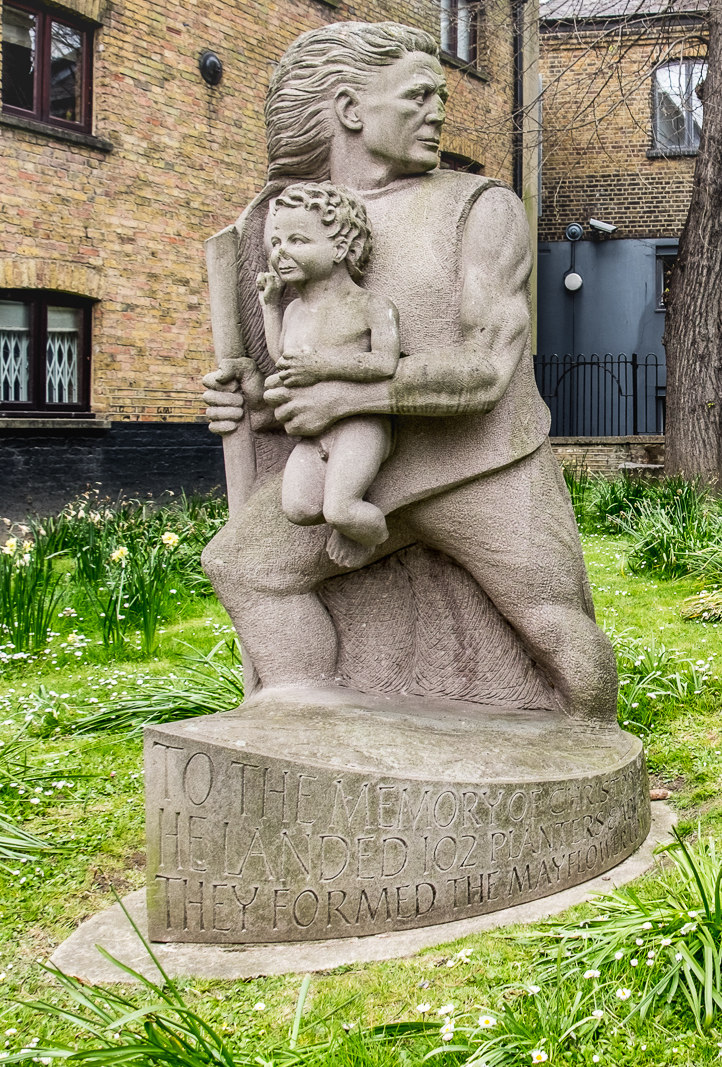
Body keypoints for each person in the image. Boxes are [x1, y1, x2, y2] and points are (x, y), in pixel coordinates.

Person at [200, 22, 616, 724]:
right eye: (418, 95)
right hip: (347, 468)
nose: (438, 112)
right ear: (350, 109)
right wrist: (252, 402)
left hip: (479, 464)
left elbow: (487, 372)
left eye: (441, 97)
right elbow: (293, 377)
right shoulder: (288, 222)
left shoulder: (481, 210)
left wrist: (351, 392)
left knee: (564, 642)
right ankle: (306, 722)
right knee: (243, 567)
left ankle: (589, 751)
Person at [258, 181, 399, 568]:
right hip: (313, 435)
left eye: (298, 240)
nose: (280, 253)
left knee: (340, 510)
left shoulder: (371, 305)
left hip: (359, 425)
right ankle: (356, 517)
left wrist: (322, 366)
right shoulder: (293, 311)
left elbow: (385, 364)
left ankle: (382, 533)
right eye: (276, 242)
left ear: (339, 248)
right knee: (300, 508)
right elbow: (282, 358)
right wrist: (270, 308)